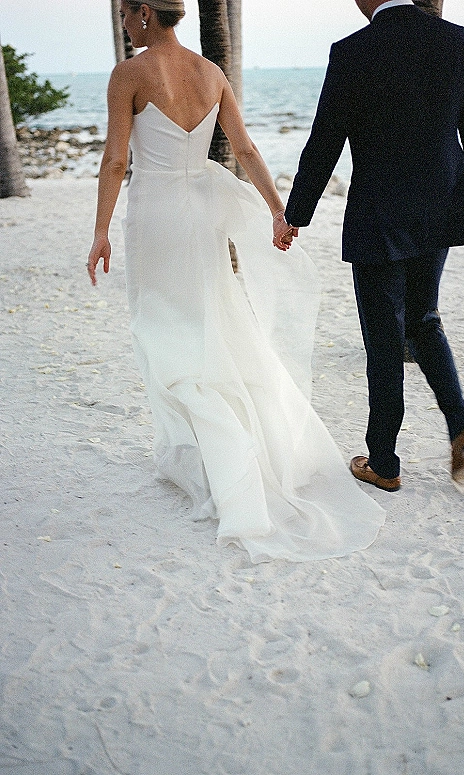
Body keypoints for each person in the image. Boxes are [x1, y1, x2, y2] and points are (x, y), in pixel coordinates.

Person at [86, 0, 386, 563]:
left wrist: (100, 231)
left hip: (155, 213)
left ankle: (220, 456)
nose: (125, 23)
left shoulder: (129, 73)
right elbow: (244, 149)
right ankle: (209, 445)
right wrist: (279, 211)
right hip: (204, 210)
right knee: (211, 323)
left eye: (128, 13)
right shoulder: (211, 73)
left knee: (162, 327)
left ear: (146, 14)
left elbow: (114, 158)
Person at [284, 0, 464, 492]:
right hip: (443, 202)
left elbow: (325, 141)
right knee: (424, 319)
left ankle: (383, 460)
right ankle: (460, 423)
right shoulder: (455, 38)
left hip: (379, 211)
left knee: (384, 338)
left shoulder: (351, 51)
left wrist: (296, 214)